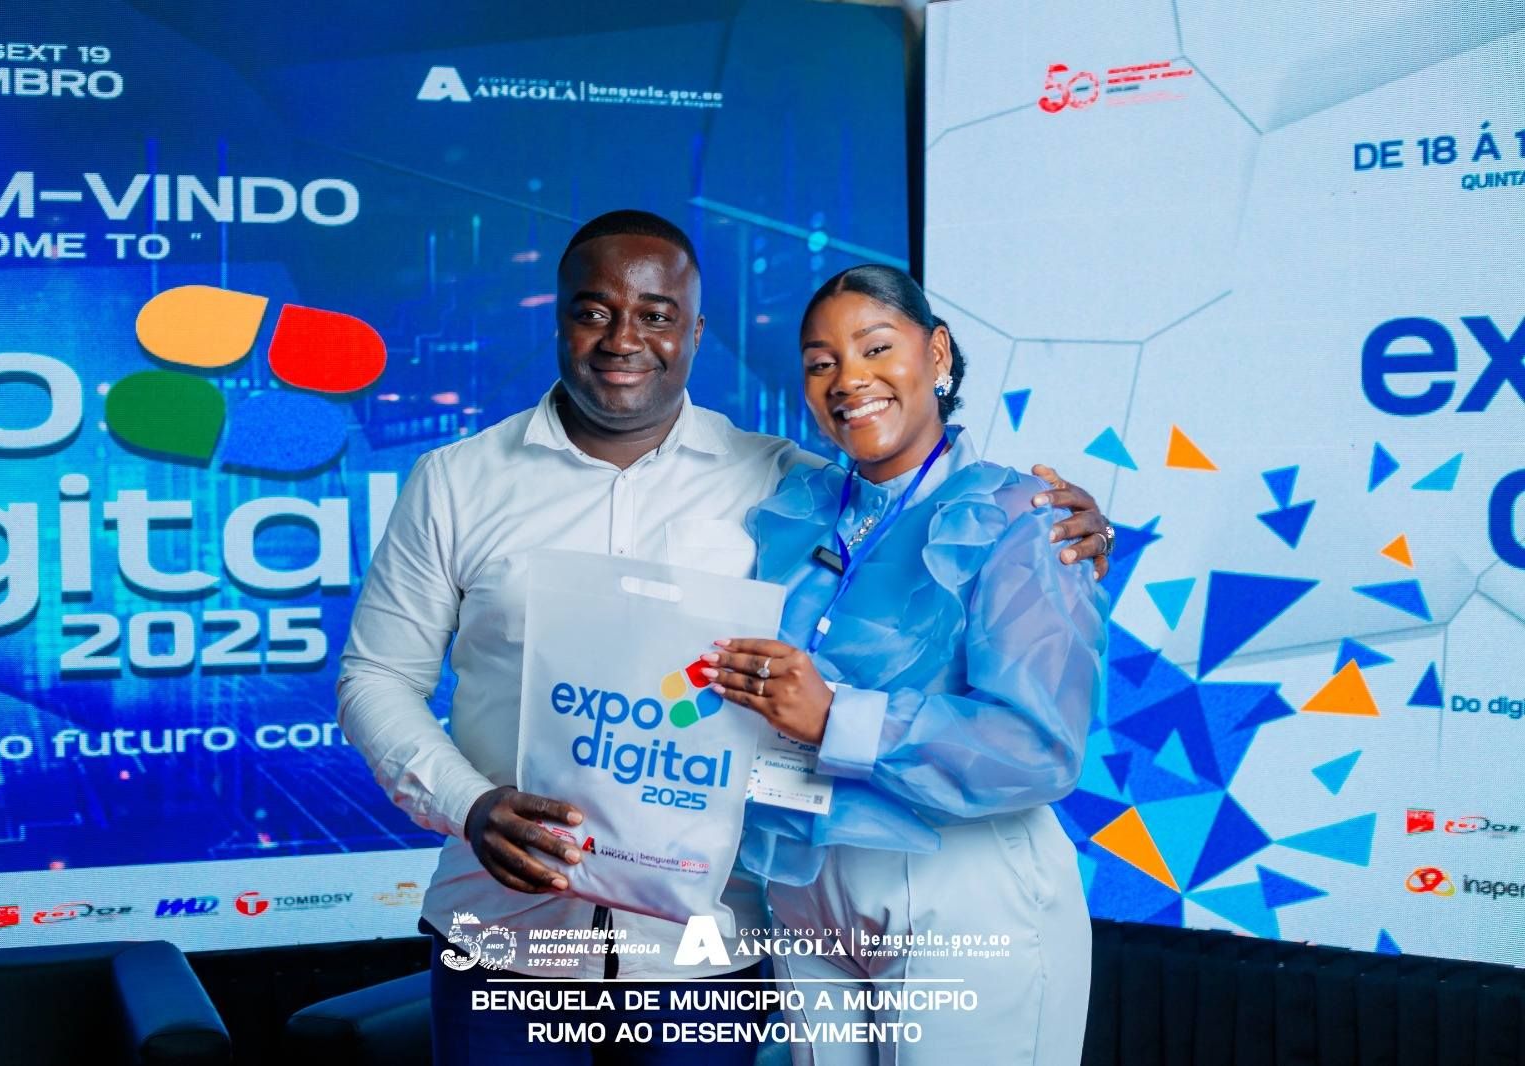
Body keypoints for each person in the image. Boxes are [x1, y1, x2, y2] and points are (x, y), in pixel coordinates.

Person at [335, 212, 1114, 1066]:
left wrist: (1052, 520)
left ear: (696, 332)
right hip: (505, 932)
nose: (623, 339)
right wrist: (468, 805)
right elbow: (376, 677)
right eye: (593, 312)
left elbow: (908, 491)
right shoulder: (455, 482)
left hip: (709, 950)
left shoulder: (782, 484)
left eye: (656, 315)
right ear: (558, 320)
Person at [704, 264, 1108, 1066]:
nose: (849, 379)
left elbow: (1040, 747)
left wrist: (838, 718)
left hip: (963, 888)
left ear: (938, 353)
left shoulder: (1022, 517)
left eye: (876, 347)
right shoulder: (791, 512)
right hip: (804, 888)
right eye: (821, 363)